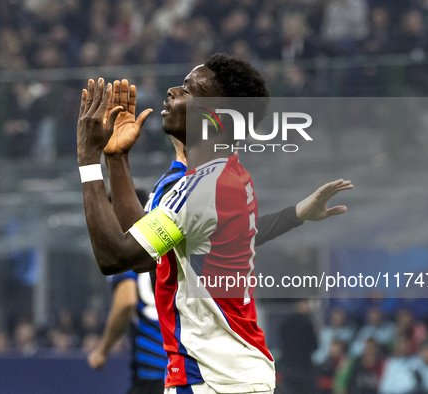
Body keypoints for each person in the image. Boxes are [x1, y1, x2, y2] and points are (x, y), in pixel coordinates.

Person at [77, 53, 353, 393]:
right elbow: (149, 257)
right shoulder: (225, 176)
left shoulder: (205, 187)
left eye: (189, 90)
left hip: (214, 379)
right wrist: (116, 159)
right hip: (224, 374)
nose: (173, 91)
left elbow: (115, 257)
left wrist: (88, 160)